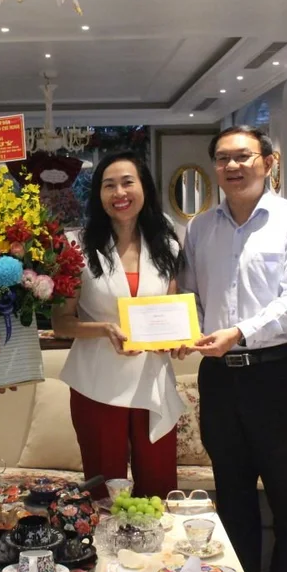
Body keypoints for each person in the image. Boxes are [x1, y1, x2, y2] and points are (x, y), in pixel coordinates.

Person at [175, 126, 287, 572]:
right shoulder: (200, 228)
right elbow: (190, 296)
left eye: (243, 157)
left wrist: (238, 331)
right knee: (232, 493)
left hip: (274, 374)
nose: (232, 167)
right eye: (222, 158)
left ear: (268, 161)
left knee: (285, 492)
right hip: (218, 379)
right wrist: (182, 331)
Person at [52, 152, 186, 500]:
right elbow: (61, 322)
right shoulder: (77, 247)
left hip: (153, 382)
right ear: (98, 194)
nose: (119, 193)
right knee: (103, 494)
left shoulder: (167, 246)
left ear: (144, 188)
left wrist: (177, 340)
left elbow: (170, 311)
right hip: (97, 384)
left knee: (158, 491)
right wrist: (104, 330)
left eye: (128, 182)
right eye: (108, 185)